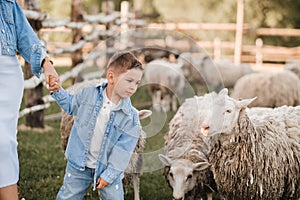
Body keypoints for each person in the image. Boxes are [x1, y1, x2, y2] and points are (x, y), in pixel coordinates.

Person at [51, 51, 144, 200]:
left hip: (107, 168)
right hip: (78, 165)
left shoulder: (130, 118)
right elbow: (70, 105)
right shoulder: (88, 94)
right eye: (129, 81)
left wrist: (109, 175)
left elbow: (123, 150)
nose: (133, 87)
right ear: (111, 77)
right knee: (68, 196)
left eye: (137, 83)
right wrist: (57, 91)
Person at [0, 0, 60, 199]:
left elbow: (24, 33)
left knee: (4, 143)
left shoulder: (7, 3)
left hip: (6, 73)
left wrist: (46, 63)